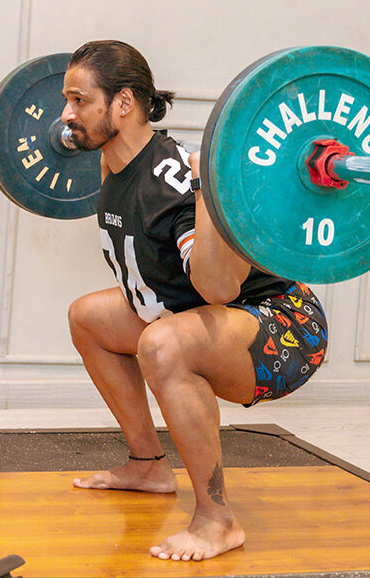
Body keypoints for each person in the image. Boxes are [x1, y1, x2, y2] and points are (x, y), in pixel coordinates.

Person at [61, 39, 328, 562]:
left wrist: (208, 186)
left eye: (78, 101)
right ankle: (147, 465)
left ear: (123, 104)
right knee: (88, 318)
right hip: (207, 316)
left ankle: (217, 518)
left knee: (163, 345)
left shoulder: (175, 180)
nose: (66, 115)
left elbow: (218, 289)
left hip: (283, 327)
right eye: (67, 100)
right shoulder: (114, 164)